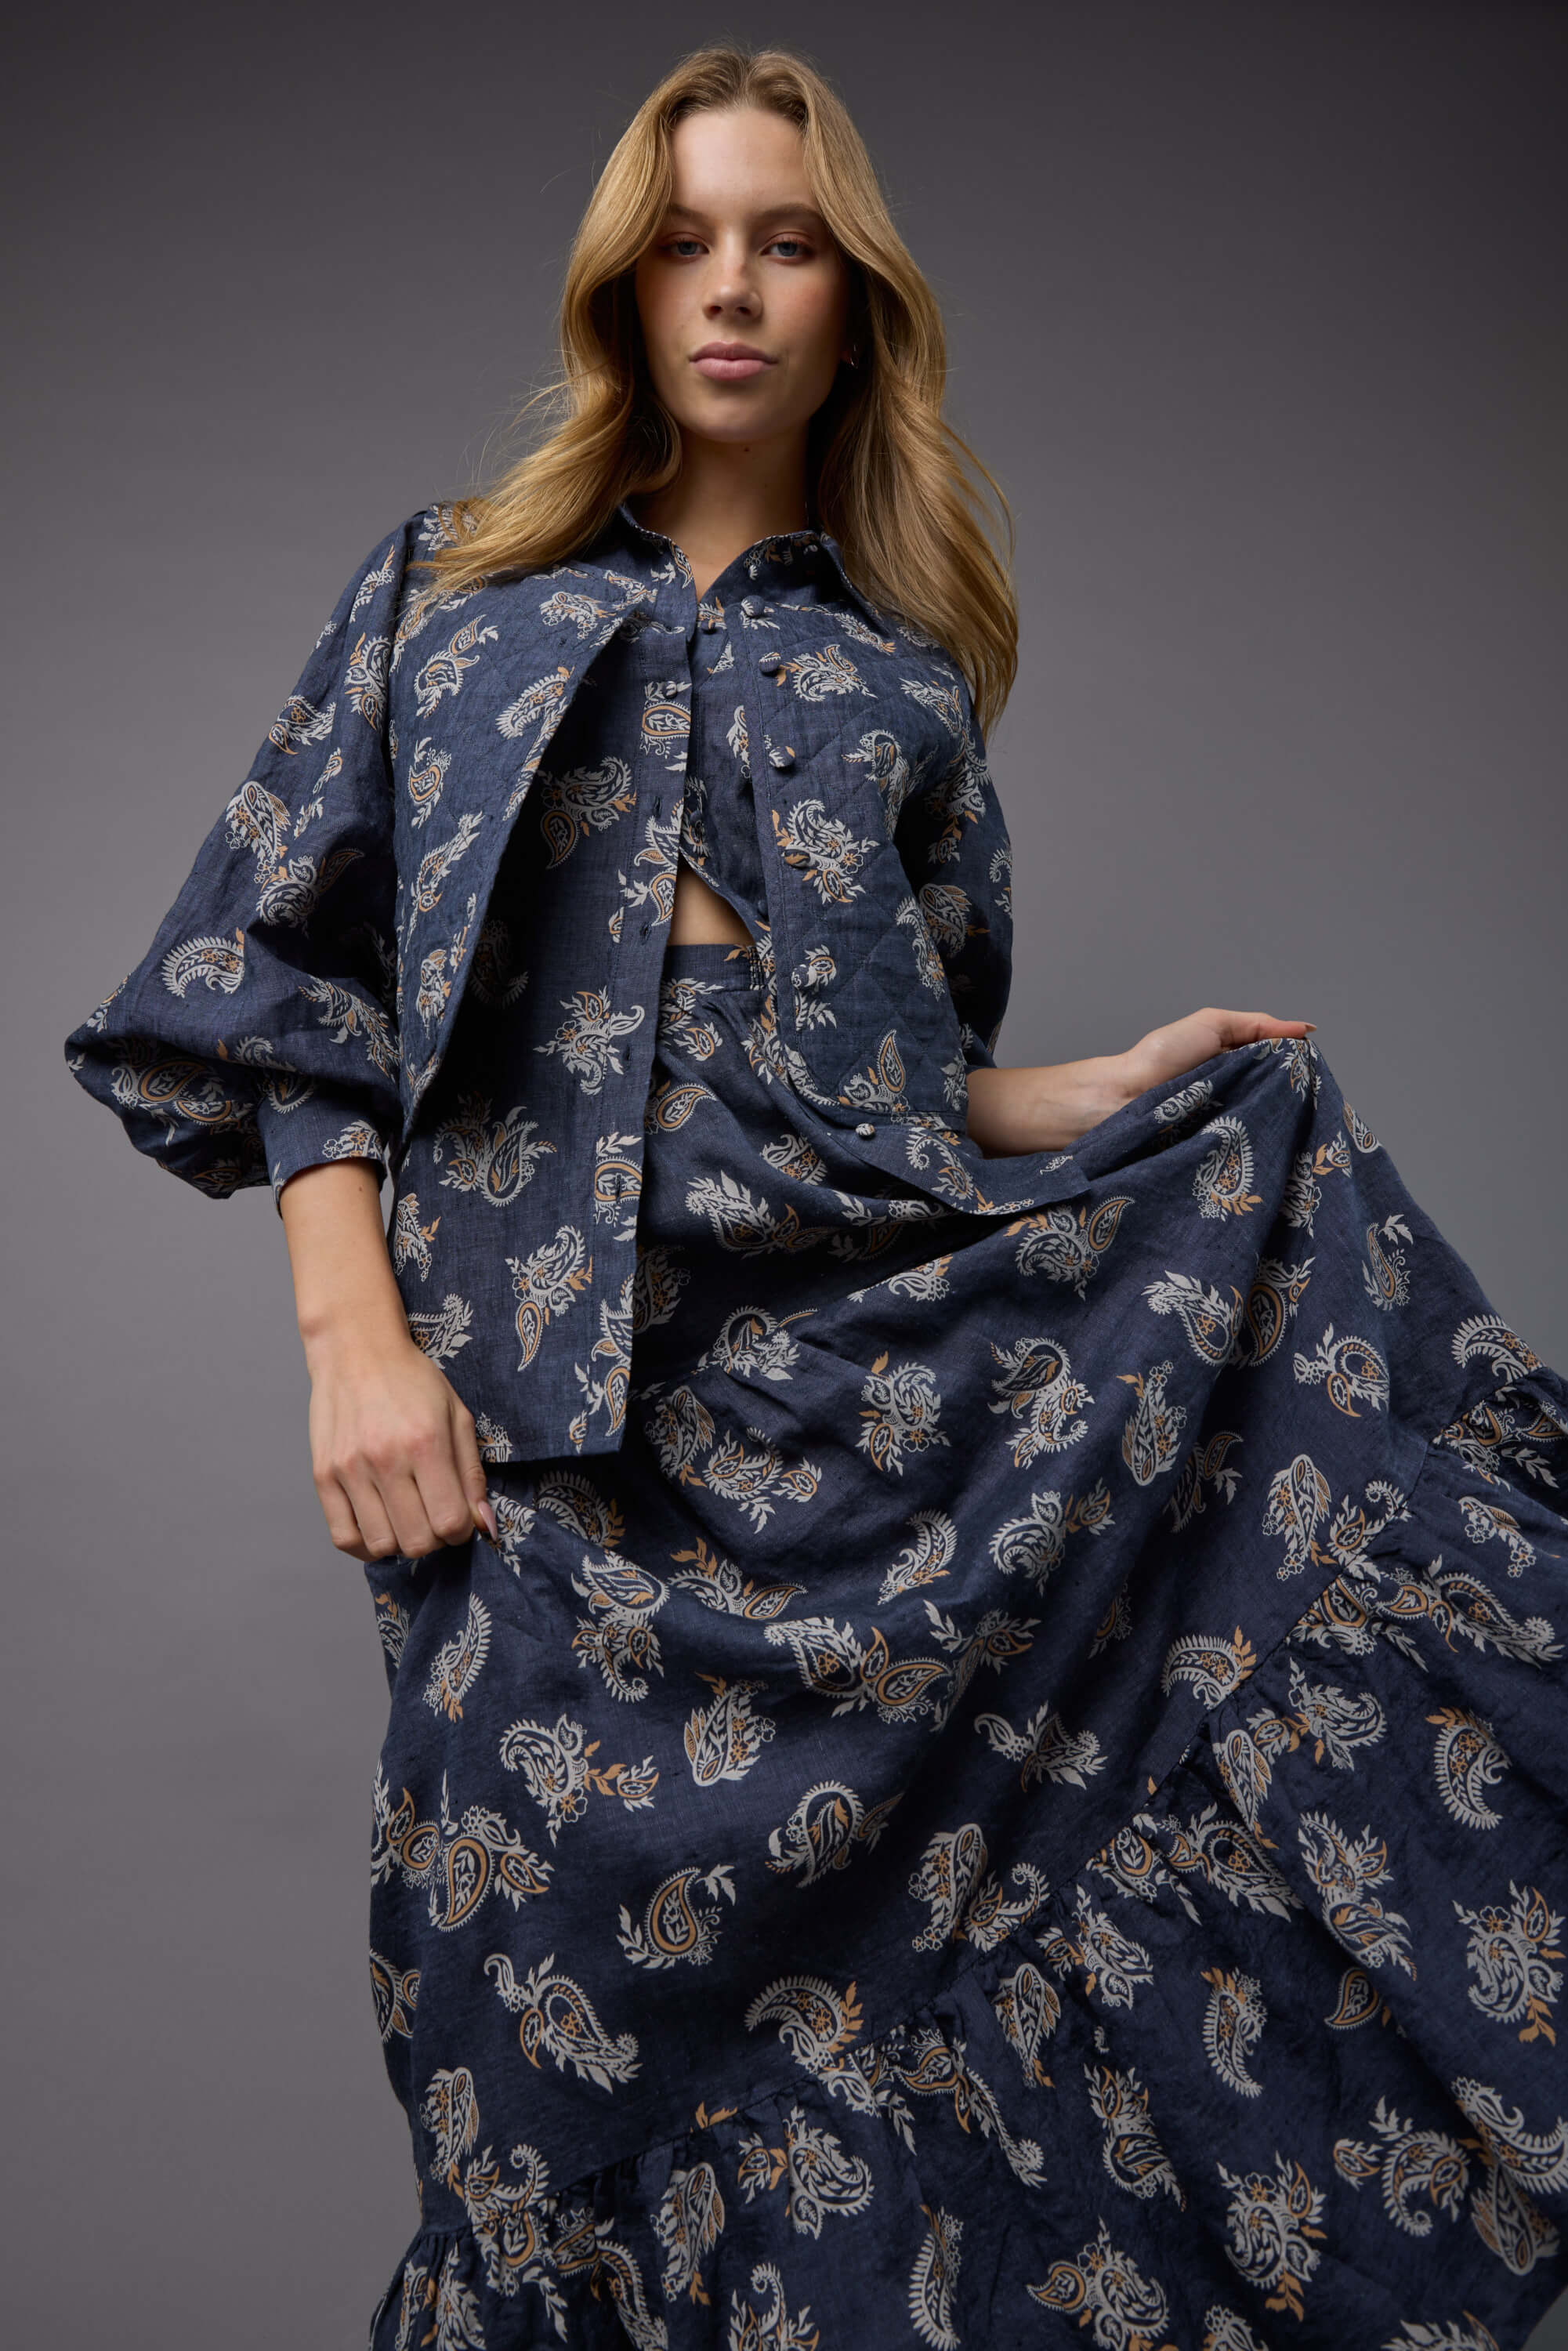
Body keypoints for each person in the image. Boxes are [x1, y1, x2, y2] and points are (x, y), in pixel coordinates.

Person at [63, 43, 1568, 2351]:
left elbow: (892, 1097)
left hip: (867, 1431)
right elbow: (274, 1002)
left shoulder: (898, 681)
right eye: (685, 237)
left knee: (905, 2072)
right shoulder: (444, 603)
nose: (732, 287)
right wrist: (352, 1340)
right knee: (527, 2078)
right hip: (548, 1463)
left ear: (855, 297)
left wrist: (1106, 1094)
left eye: (785, 241)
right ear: (618, 284)